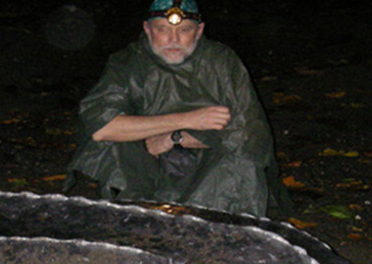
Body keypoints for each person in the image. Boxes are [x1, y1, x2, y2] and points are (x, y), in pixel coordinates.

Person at [65, 0, 291, 217]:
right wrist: (186, 120)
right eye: (162, 29)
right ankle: (134, 219)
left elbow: (250, 135)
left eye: (184, 30)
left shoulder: (222, 62)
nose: (173, 39)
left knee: (243, 162)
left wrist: (177, 138)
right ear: (147, 29)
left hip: (208, 167)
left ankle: (211, 227)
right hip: (148, 164)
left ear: (199, 30)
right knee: (112, 148)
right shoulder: (127, 62)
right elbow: (102, 127)